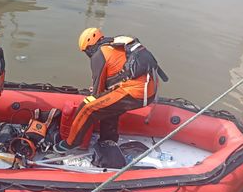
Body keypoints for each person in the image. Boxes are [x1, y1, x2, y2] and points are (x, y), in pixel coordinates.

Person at [53, 28, 167, 168]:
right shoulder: (113, 45)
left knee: (89, 107)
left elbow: (97, 91)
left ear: (89, 46)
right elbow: (118, 74)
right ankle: (108, 140)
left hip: (135, 91)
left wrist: (95, 94)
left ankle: (71, 143)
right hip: (148, 89)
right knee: (109, 108)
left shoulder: (98, 55)